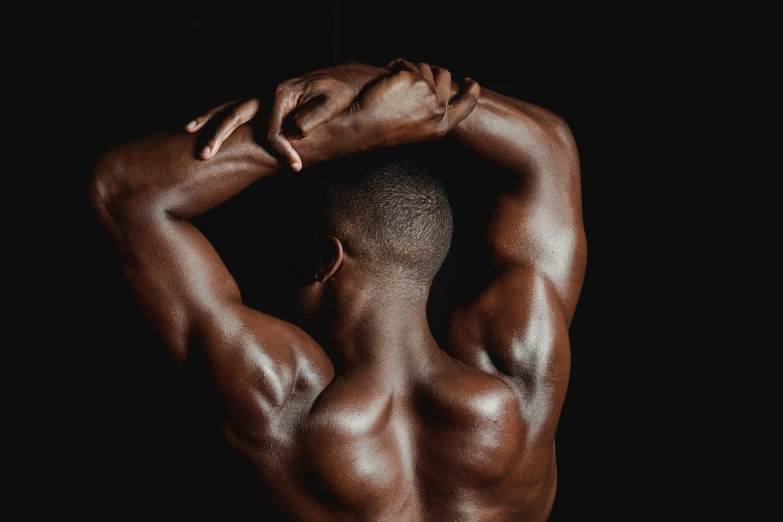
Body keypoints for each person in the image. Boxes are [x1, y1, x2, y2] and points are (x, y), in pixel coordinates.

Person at [89, 59, 586, 521]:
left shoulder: (279, 405)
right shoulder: (521, 384)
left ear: (323, 260)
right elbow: (549, 148)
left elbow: (123, 192)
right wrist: (373, 84)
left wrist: (350, 128)